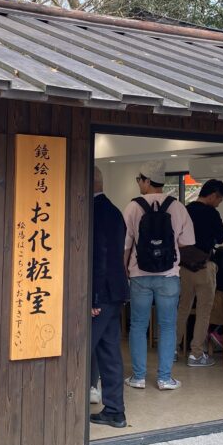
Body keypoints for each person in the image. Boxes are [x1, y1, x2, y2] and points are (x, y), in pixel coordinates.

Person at [123, 160, 195, 391]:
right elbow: (187, 243)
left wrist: (124, 268)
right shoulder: (177, 206)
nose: (138, 184)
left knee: (138, 325)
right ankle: (164, 378)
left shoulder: (133, 207)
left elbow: (125, 244)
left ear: (146, 180)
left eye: (139, 180)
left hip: (139, 275)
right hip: (169, 276)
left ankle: (139, 377)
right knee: (167, 326)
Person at [90, 166, 130, 427]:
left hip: (100, 294)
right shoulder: (114, 211)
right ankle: (114, 410)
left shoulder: (95, 212)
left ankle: (64, 407)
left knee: (81, 349)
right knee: (109, 351)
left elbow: (100, 257)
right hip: (115, 292)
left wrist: (93, 298)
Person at [176, 179, 223, 367]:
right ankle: (196, 354)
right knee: (204, 312)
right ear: (213, 195)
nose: (219, 203)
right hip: (204, 267)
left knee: (183, 308)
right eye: (219, 199)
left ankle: (172, 349)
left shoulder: (185, 210)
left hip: (184, 267)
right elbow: (222, 236)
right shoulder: (212, 213)